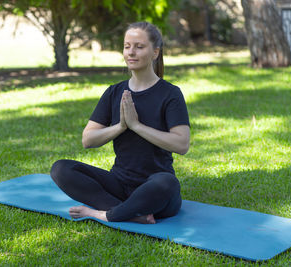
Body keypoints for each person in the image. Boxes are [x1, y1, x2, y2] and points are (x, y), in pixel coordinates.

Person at [51, 21, 190, 224]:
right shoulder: (114, 92)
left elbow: (182, 144)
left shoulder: (170, 94)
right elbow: (88, 140)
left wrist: (137, 126)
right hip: (119, 184)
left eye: (139, 47)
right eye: (127, 46)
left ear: (155, 53)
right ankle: (131, 213)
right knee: (61, 169)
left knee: (167, 182)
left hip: (155, 188)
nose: (131, 53)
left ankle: (103, 214)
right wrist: (121, 126)